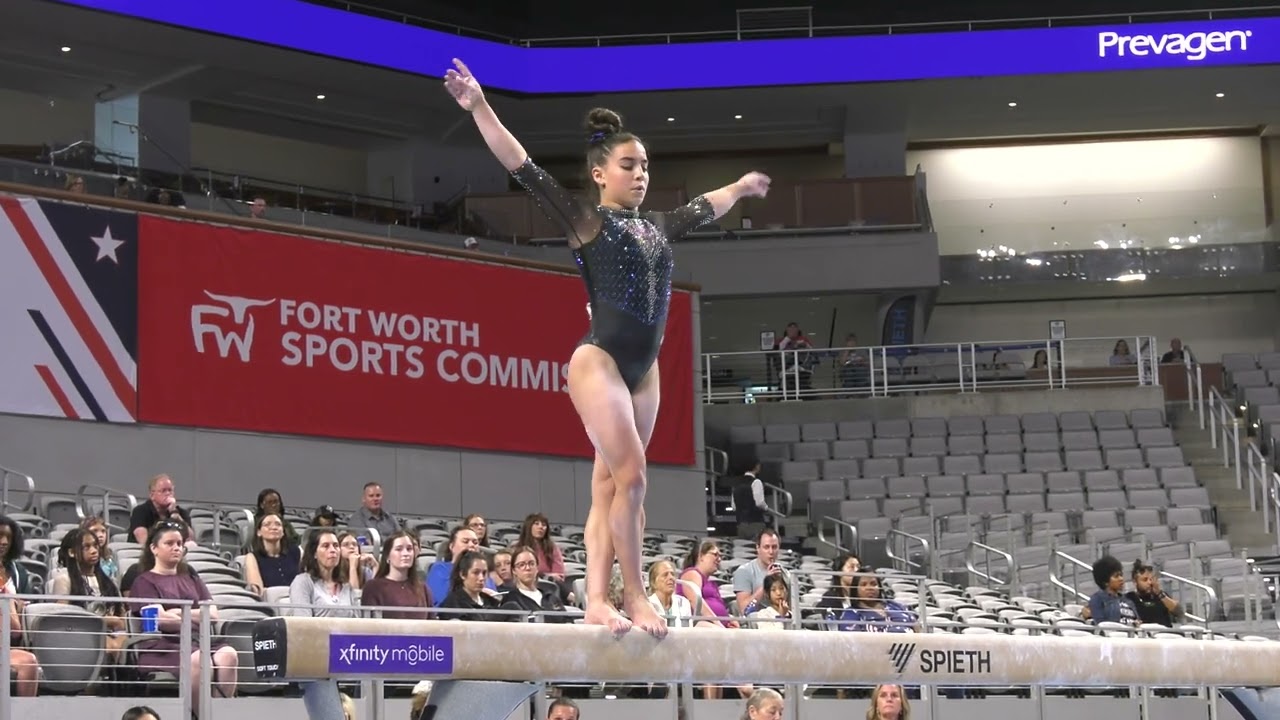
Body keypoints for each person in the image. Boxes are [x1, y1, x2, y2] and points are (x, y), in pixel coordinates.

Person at [445, 58, 770, 637]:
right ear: (600, 173)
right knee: (635, 477)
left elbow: (707, 204)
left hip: (645, 372)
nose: (641, 174)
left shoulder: (659, 225)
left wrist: (742, 188)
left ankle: (597, 598)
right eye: (629, 165)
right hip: (598, 362)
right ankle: (636, 595)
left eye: (645, 165)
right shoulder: (586, 221)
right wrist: (479, 107)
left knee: (612, 485)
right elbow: (521, 165)